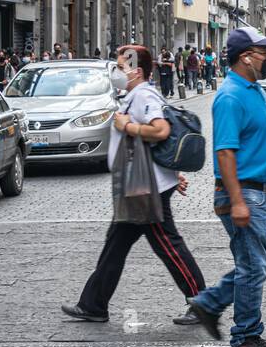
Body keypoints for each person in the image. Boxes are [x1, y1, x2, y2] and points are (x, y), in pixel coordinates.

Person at [62, 45, 208, 327]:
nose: (116, 72)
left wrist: (127, 127)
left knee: (168, 245)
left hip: (145, 187)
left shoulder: (144, 95)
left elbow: (161, 130)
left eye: (120, 67)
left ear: (136, 70)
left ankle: (203, 303)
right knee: (115, 245)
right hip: (137, 183)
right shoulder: (134, 95)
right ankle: (93, 304)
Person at [186, 29, 266, 347]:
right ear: (246, 57)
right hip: (243, 193)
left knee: (265, 261)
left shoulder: (254, 89)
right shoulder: (230, 96)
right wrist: (237, 200)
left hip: (261, 192)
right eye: (263, 51)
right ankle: (245, 336)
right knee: (253, 266)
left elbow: (261, 141)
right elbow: (225, 152)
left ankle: (209, 304)